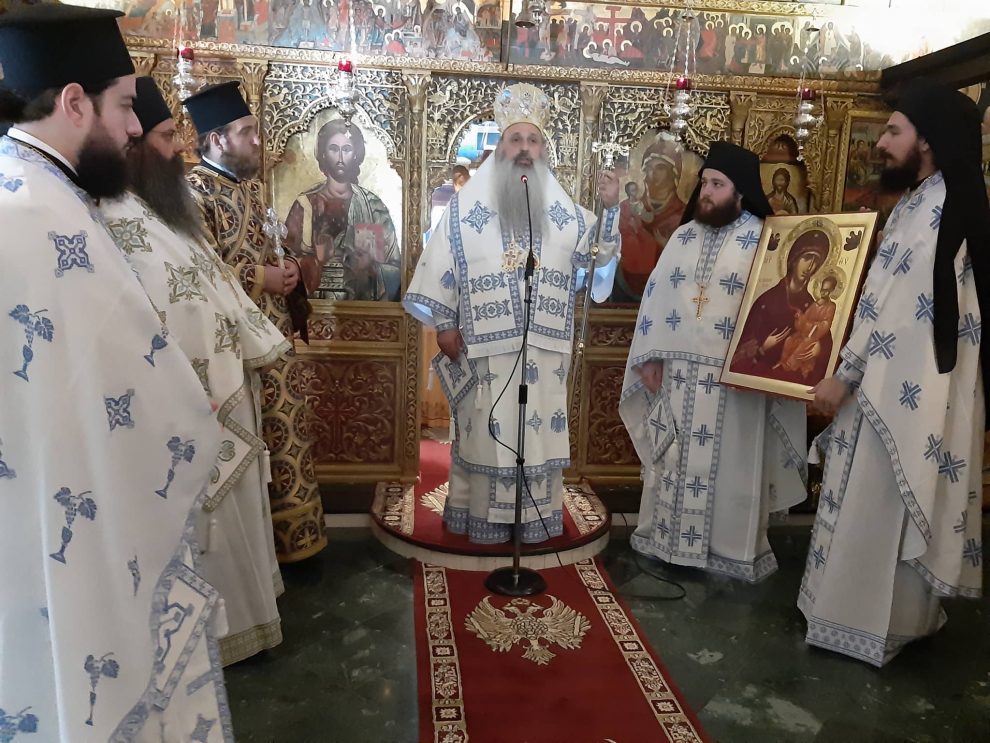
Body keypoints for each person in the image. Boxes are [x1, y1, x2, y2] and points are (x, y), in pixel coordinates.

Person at [0, 6, 232, 740]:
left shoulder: (27, 189)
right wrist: (193, 413)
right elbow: (122, 375)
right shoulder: (42, 215)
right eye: (127, 105)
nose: (136, 128)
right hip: (71, 512)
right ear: (75, 102)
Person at [102, 77, 291, 666]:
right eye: (165, 137)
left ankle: (248, 613)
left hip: (224, 379)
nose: (177, 147)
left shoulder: (159, 209)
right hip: (191, 398)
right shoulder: (120, 214)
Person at [800, 79, 990, 667]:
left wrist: (845, 374)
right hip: (892, 383)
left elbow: (901, 314)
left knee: (881, 498)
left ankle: (866, 624)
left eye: (893, 131)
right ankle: (866, 615)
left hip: (900, 388)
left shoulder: (939, 212)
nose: (881, 142)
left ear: (926, 142)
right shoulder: (921, 201)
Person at [404, 83, 621, 544]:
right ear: (500, 147)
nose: (524, 149)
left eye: (533, 140)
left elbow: (595, 257)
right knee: (483, 433)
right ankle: (479, 517)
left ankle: (534, 518)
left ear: (544, 149)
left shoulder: (566, 213)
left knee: (537, 434)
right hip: (484, 349)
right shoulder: (463, 209)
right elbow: (441, 261)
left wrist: (609, 211)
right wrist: (445, 324)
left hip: (544, 350)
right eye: (515, 139)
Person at [619, 141, 807, 582]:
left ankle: (730, 552)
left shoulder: (766, 241)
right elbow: (656, 299)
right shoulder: (684, 237)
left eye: (717, 184)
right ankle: (666, 543)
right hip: (678, 378)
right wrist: (650, 357)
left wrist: (765, 365)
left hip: (736, 382)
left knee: (733, 467)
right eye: (704, 183)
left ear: (740, 191)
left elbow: (782, 308)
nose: (705, 192)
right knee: (673, 459)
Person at [186, 80, 327, 563]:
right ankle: (255, 556)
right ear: (217, 138)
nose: (258, 141)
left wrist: (289, 270)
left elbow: (273, 246)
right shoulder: (193, 193)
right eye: (247, 132)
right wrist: (259, 277)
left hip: (275, 341)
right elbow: (195, 271)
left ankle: (296, 544)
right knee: (250, 446)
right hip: (233, 351)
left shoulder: (252, 189)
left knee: (287, 437)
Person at [284, 118, 401, 301]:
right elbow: (285, 262)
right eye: (333, 149)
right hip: (313, 307)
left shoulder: (372, 206)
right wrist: (315, 261)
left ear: (356, 154)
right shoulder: (305, 204)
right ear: (323, 154)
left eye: (346, 149)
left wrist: (369, 266)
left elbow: (394, 269)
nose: (340, 158)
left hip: (365, 309)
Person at [728, 227, 831, 382]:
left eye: (816, 261)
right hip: (760, 380)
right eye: (807, 258)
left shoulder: (813, 305)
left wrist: (820, 349)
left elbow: (826, 342)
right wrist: (763, 347)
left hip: (791, 385)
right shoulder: (766, 301)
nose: (810, 266)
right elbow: (740, 357)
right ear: (794, 259)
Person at [615, 150, 686, 301]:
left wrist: (666, 246)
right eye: (648, 168)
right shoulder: (626, 208)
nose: (652, 173)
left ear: (674, 174)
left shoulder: (684, 215)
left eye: (660, 168)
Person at [774, 273, 838, 382]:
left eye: (827, 290)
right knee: (790, 340)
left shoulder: (831, 307)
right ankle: (782, 362)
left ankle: (788, 366)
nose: (824, 292)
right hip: (804, 333)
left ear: (831, 291)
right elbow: (803, 322)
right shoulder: (814, 304)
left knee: (805, 343)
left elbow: (825, 325)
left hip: (814, 336)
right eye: (823, 289)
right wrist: (799, 317)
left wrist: (809, 324)